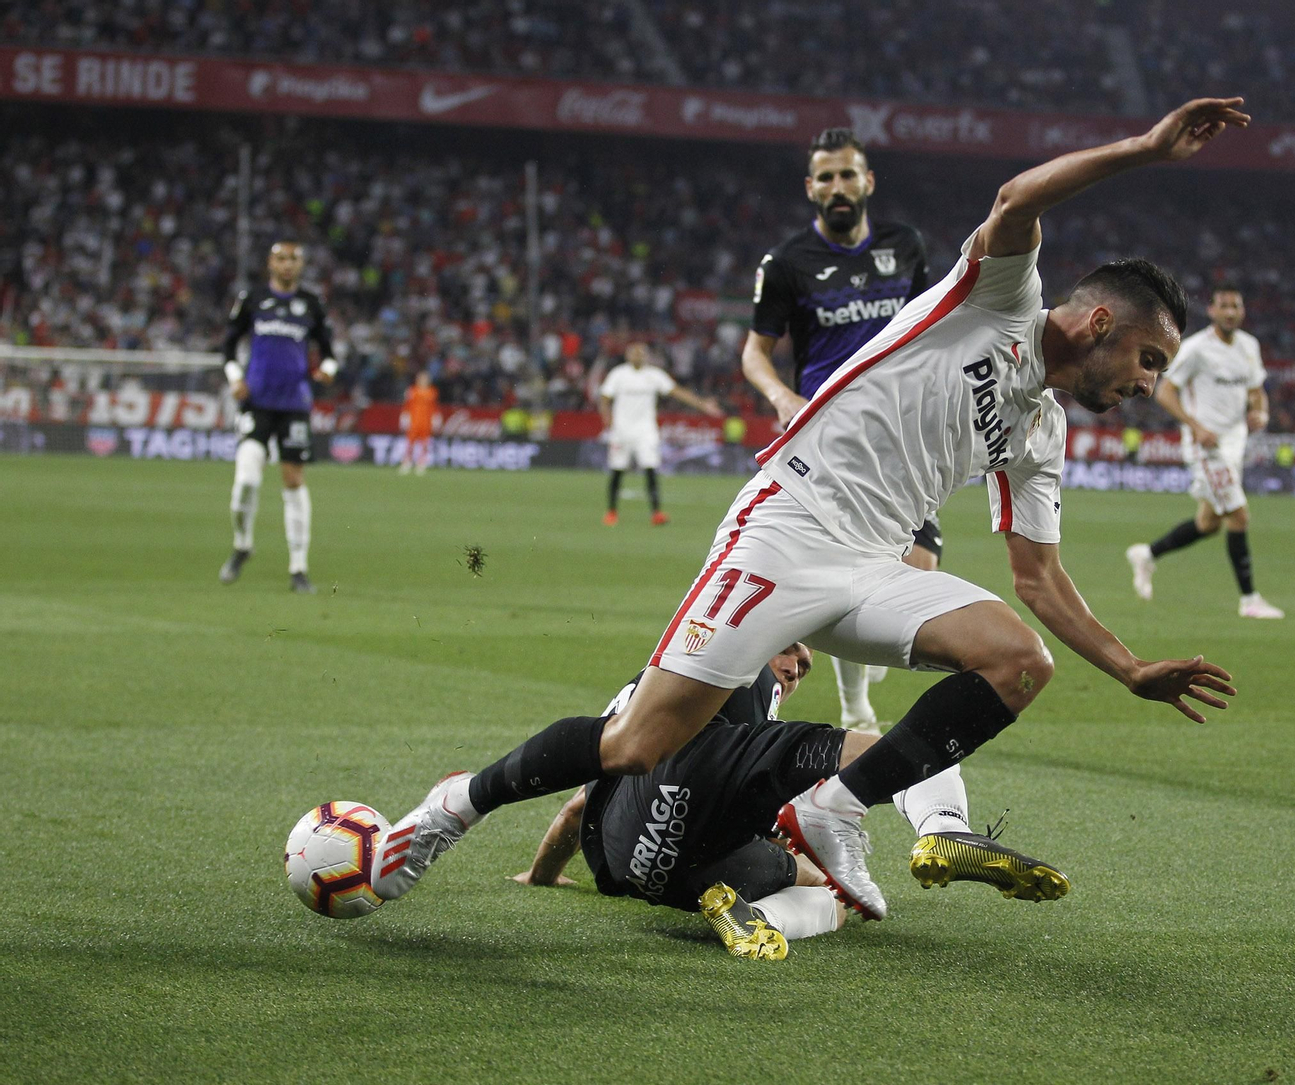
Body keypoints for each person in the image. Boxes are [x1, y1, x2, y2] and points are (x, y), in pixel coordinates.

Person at [371, 97, 1246, 924]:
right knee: (635, 744)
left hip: (873, 564)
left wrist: (1129, 668)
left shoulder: (1041, 429)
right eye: (1151, 357)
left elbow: (1038, 578)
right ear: (1098, 321)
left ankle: (832, 808)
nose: (1149, 382)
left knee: (1020, 659)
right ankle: (450, 809)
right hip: (787, 527)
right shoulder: (1000, 299)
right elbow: (1017, 197)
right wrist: (1145, 150)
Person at [512, 643, 1064, 961]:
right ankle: (943, 825)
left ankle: (743, 914)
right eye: (792, 649)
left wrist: (541, 875)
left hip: (639, 866)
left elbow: (577, 807)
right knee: (905, 754)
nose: (797, 665)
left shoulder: (653, 696)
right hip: (681, 815)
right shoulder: (741, 668)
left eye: (804, 665)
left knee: (798, 849)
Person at [741, 127, 937, 731]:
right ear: (811, 189)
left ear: (868, 181)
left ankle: (862, 668)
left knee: (918, 573)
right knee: (859, 569)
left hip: (906, 434)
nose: (838, 187)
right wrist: (780, 396)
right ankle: (856, 707)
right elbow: (755, 351)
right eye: (826, 178)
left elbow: (932, 328)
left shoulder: (906, 247)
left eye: (848, 174)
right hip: (831, 436)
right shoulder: (786, 263)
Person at [1124, 285, 1284, 618]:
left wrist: (1262, 412)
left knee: (1209, 522)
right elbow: (1166, 393)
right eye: (1223, 306)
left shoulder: (1249, 347)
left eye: (1235, 305)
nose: (1230, 311)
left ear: (1242, 311)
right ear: (1211, 310)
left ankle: (1147, 554)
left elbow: (1256, 392)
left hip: (1234, 443)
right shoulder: (1196, 349)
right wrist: (1196, 427)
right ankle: (1249, 600)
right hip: (1206, 446)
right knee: (1238, 516)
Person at [218, 241, 338, 593]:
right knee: (246, 480)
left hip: (295, 404)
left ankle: (298, 568)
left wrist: (328, 369)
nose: (288, 265)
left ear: (301, 265)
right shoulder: (252, 299)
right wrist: (235, 378)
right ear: (271, 263)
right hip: (257, 401)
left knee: (293, 480)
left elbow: (329, 351)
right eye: (282, 259)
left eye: (294, 260)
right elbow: (227, 345)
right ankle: (243, 544)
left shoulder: (312, 304)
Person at [598, 342, 724, 526]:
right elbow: (604, 397)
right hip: (621, 430)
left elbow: (677, 392)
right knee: (617, 470)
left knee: (650, 469)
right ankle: (611, 512)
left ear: (646, 356)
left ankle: (656, 513)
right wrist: (606, 417)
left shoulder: (654, 375)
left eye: (641, 353)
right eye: (634, 353)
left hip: (646, 430)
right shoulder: (618, 374)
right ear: (627, 355)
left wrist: (702, 404)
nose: (637, 356)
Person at [398, 370, 439, 475]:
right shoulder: (412, 391)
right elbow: (407, 404)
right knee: (410, 443)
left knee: (425, 444)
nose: (424, 381)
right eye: (422, 378)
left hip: (426, 421)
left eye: (426, 379)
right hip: (414, 421)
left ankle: (421, 464)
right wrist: (404, 416)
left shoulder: (432, 392)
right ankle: (406, 463)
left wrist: (436, 417)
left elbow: (434, 407)